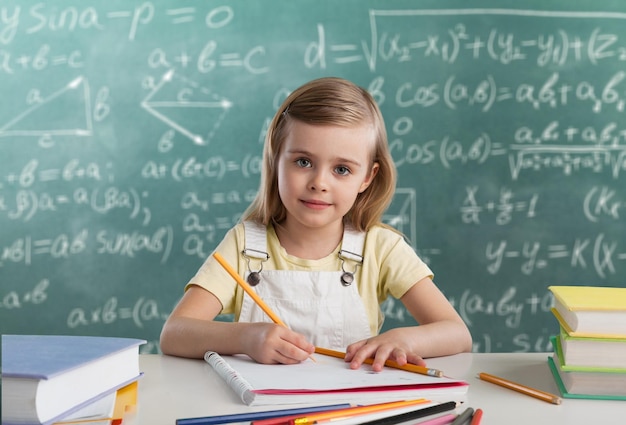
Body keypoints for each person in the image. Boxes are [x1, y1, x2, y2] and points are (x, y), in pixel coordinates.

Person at [160, 77, 472, 371]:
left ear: (367, 177)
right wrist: (245, 338)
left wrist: (403, 339)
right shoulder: (245, 244)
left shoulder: (381, 247)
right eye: (303, 162)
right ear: (275, 160)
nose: (319, 183)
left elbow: (457, 333)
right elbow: (174, 333)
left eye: (341, 169)